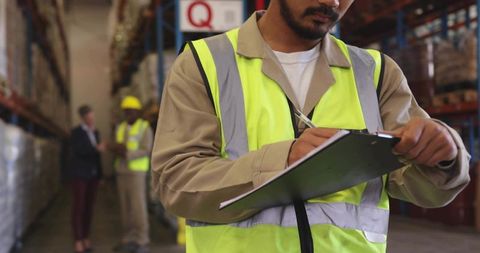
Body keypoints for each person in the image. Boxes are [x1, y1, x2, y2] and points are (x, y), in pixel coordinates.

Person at [151, 0, 471, 252]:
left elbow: (423, 189)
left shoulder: (376, 73)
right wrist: (283, 161)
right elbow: (176, 182)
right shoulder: (203, 64)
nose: (331, 2)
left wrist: (443, 155)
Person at [111, 96, 153, 253]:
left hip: (136, 172)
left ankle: (141, 239)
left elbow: (146, 149)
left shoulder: (144, 127)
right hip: (122, 171)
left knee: (137, 206)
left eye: (130, 111)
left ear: (137, 112)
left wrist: (127, 153)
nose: (128, 114)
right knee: (125, 207)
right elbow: (117, 144)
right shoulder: (121, 127)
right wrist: (115, 148)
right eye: (125, 112)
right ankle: (128, 238)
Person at [68, 105, 106, 253]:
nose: (91, 119)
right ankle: (78, 239)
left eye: (92, 116)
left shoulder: (96, 132)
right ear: (83, 118)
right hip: (79, 174)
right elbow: (79, 150)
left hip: (93, 175)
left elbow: (98, 157)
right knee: (79, 207)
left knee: (89, 207)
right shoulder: (76, 133)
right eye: (89, 117)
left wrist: (101, 176)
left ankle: (86, 237)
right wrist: (95, 149)